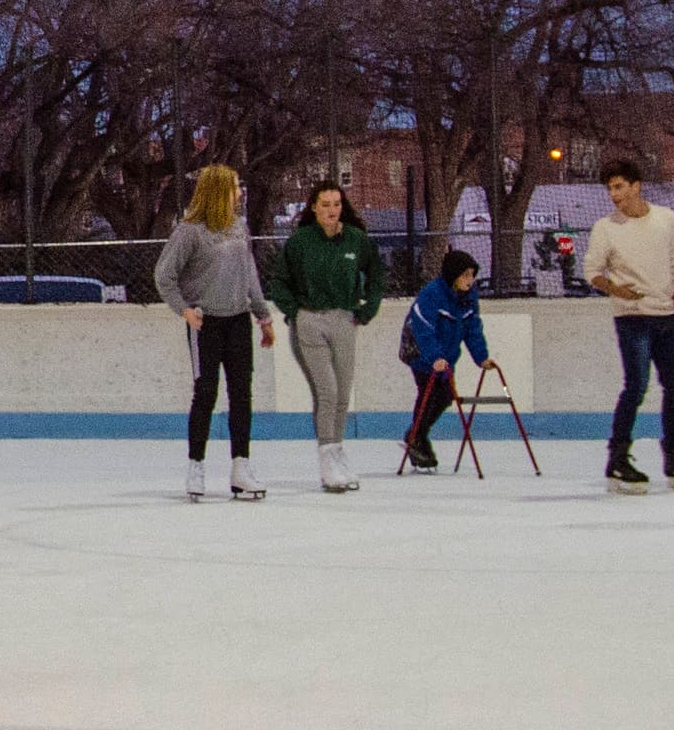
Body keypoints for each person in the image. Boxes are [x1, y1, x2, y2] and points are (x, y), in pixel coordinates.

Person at [581, 160, 674, 495]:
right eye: (609, 188)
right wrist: (616, 290)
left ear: (636, 186)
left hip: (668, 316)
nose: (613, 195)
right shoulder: (605, 228)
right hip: (632, 316)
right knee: (636, 386)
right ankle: (618, 458)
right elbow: (591, 270)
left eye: (619, 186)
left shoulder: (666, 218)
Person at [154, 163, 275, 502]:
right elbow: (164, 276)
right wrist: (184, 310)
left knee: (242, 393)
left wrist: (262, 317)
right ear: (220, 190)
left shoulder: (239, 227)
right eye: (235, 186)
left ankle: (241, 465)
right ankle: (196, 464)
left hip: (237, 320)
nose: (240, 192)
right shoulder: (189, 231)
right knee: (205, 393)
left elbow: (249, 274)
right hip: (205, 323)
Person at [271, 181, 382, 493]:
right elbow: (279, 281)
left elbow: (376, 275)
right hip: (310, 322)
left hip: (343, 319)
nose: (332, 210)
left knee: (343, 394)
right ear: (313, 208)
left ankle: (337, 450)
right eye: (325, 204)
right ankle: (326, 456)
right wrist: (295, 311)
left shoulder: (356, 240)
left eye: (336, 204)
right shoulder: (300, 242)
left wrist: (367, 309)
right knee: (327, 391)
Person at [394, 251, 497, 476]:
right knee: (430, 392)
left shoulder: (469, 297)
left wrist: (481, 357)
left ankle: (416, 435)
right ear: (453, 275)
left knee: (445, 396)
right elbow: (423, 329)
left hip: (446, 356)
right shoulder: (431, 294)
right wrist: (434, 357)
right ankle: (417, 438)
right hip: (419, 351)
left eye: (472, 275)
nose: (470, 280)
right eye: (465, 275)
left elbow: (472, 329)